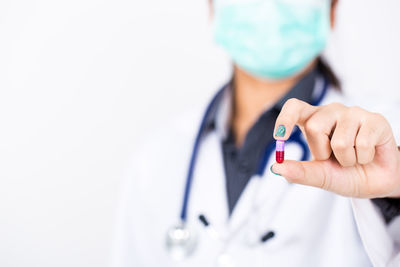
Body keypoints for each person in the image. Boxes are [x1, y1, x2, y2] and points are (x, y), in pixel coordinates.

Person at [112, 0, 400, 266]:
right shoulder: (156, 159)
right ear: (213, 6)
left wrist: (394, 189)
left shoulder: (382, 146)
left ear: (332, 9)